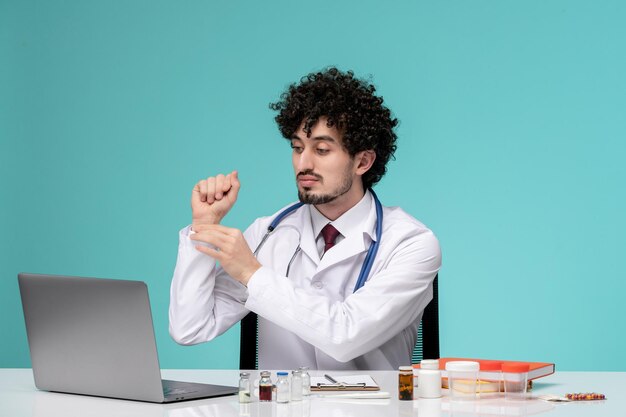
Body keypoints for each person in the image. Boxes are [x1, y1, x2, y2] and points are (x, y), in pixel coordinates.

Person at [169, 67, 441, 370]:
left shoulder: (410, 243)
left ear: (363, 161)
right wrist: (204, 228)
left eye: (321, 149)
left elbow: (345, 336)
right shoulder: (269, 232)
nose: (303, 163)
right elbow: (190, 328)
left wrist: (252, 273)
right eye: (297, 148)